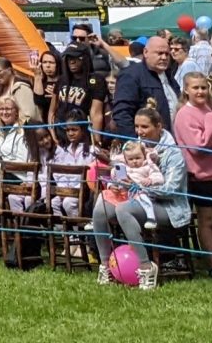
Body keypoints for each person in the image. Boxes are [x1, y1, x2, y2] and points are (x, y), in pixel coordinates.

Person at [85, 103, 188, 289]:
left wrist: (138, 187)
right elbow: (122, 172)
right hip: (135, 198)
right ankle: (105, 265)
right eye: (137, 126)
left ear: (159, 127)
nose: (139, 131)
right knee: (102, 204)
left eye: (144, 127)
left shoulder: (173, 154)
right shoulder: (135, 149)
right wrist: (118, 184)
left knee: (124, 210)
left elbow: (170, 189)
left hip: (168, 206)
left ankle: (146, 267)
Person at [172, 73, 212, 273]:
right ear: (186, 90)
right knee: (207, 220)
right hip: (201, 176)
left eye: (203, 88)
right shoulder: (185, 115)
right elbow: (200, 146)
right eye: (195, 88)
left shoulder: (208, 109)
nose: (200, 92)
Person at [109, 36, 181, 139]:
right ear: (145, 52)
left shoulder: (169, 76)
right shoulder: (131, 75)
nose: (164, 57)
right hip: (146, 145)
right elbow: (122, 114)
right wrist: (134, 143)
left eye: (167, 54)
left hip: (171, 143)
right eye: (159, 53)